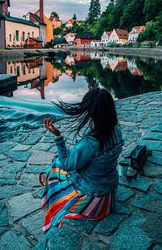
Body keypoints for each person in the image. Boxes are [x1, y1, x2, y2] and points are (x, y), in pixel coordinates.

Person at [39, 87, 124, 233]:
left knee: (57, 164)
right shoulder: (116, 129)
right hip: (109, 192)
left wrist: (58, 136)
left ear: (91, 112)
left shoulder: (91, 142)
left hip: (93, 198)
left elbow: (67, 164)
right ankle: (47, 179)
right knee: (63, 161)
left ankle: (48, 184)